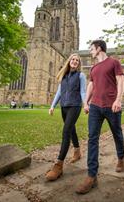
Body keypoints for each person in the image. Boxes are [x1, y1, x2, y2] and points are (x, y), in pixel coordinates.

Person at [76, 40, 124, 194]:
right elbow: (91, 85)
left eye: (91, 48)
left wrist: (118, 100)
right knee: (92, 138)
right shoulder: (94, 67)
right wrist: (86, 102)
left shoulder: (114, 62)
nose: (90, 51)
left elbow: (120, 81)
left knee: (117, 133)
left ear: (99, 49)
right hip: (96, 107)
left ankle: (121, 159)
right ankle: (92, 175)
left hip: (112, 105)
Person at [45, 53, 86, 181]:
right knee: (71, 128)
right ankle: (77, 151)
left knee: (66, 131)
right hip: (64, 106)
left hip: (75, 106)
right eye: (73, 59)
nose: (74, 61)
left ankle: (58, 165)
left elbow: (83, 91)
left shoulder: (81, 75)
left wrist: (85, 104)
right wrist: (52, 106)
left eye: (77, 60)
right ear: (69, 61)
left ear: (79, 64)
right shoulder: (63, 76)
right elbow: (59, 92)